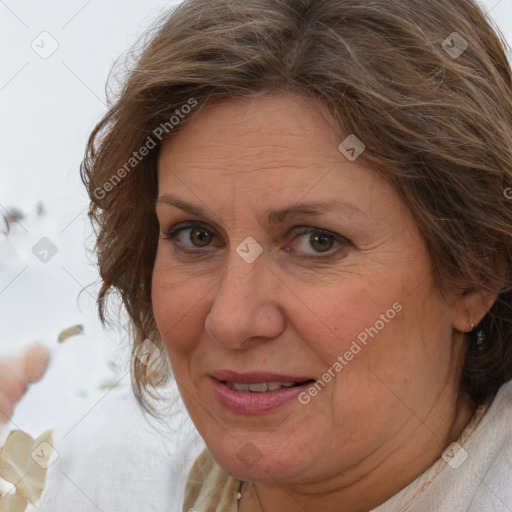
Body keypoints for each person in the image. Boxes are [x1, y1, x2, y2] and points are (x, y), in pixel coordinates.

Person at [80, 0, 512, 510]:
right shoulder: (94, 483)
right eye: (196, 236)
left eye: (316, 241)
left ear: (475, 273)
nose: (231, 320)